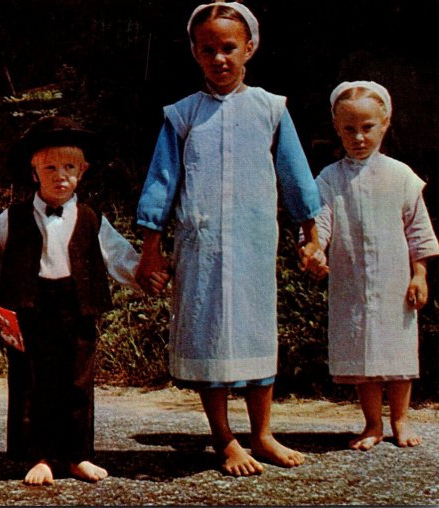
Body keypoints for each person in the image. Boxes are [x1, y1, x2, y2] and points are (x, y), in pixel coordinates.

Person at [135, 2, 327, 476]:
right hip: (202, 245)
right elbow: (161, 182)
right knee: (207, 330)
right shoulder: (182, 116)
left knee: (257, 330)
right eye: (208, 50)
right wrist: (151, 251)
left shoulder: (270, 109)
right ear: (195, 52)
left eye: (229, 48)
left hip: (255, 241)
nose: (219, 58)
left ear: (250, 48)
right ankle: (224, 439)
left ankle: (262, 434)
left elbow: (297, 177)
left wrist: (311, 236)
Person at [0, 116, 169, 486]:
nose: (61, 176)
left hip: (78, 306)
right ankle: (39, 455)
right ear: (33, 170)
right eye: (50, 167)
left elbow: (119, 257)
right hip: (29, 306)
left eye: (70, 167)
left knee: (78, 381)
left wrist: (145, 275)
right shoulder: (11, 218)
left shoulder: (92, 218)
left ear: (83, 170)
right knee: (31, 382)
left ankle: (77, 454)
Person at [302, 81, 439, 450]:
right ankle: (372, 424)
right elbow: (321, 223)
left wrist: (420, 273)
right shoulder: (329, 179)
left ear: (385, 124)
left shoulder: (401, 176)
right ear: (336, 128)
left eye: (367, 127)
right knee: (361, 350)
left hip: (396, 281)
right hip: (351, 282)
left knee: (397, 348)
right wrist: (314, 249)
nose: (359, 136)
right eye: (349, 129)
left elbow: (418, 229)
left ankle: (400, 420)